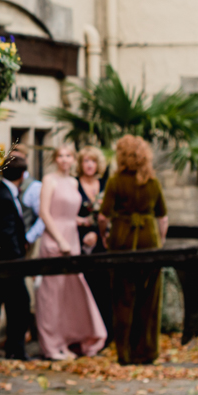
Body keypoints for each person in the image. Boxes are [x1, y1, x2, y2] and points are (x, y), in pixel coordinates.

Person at [98, 134, 169, 365]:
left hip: (122, 239)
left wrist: (104, 235)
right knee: (150, 299)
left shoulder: (115, 181)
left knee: (123, 299)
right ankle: (146, 351)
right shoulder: (153, 182)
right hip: (149, 239)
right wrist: (160, 241)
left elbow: (103, 215)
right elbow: (163, 217)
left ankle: (125, 354)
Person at [34, 145, 106, 360]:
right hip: (56, 239)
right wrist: (60, 240)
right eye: (61, 156)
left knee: (70, 294)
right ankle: (51, 345)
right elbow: (45, 213)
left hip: (73, 238)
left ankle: (68, 340)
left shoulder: (73, 182)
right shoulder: (49, 180)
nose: (65, 160)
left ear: (73, 159)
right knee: (52, 295)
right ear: (55, 159)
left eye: (68, 156)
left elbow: (68, 213)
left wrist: (85, 221)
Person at [0, 153, 33, 361]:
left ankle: (3, 350)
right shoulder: (3, 195)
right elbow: (6, 232)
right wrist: (19, 257)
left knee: (2, 306)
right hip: (5, 263)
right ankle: (14, 350)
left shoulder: (0, 192)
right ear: (23, 174)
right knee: (19, 304)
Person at [75, 146, 113, 343]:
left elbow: (110, 214)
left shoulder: (105, 185)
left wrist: (99, 234)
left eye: (93, 161)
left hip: (103, 241)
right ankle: (88, 334)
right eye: (86, 161)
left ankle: (107, 333)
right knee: (85, 288)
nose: (89, 165)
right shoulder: (74, 185)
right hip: (80, 242)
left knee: (105, 287)